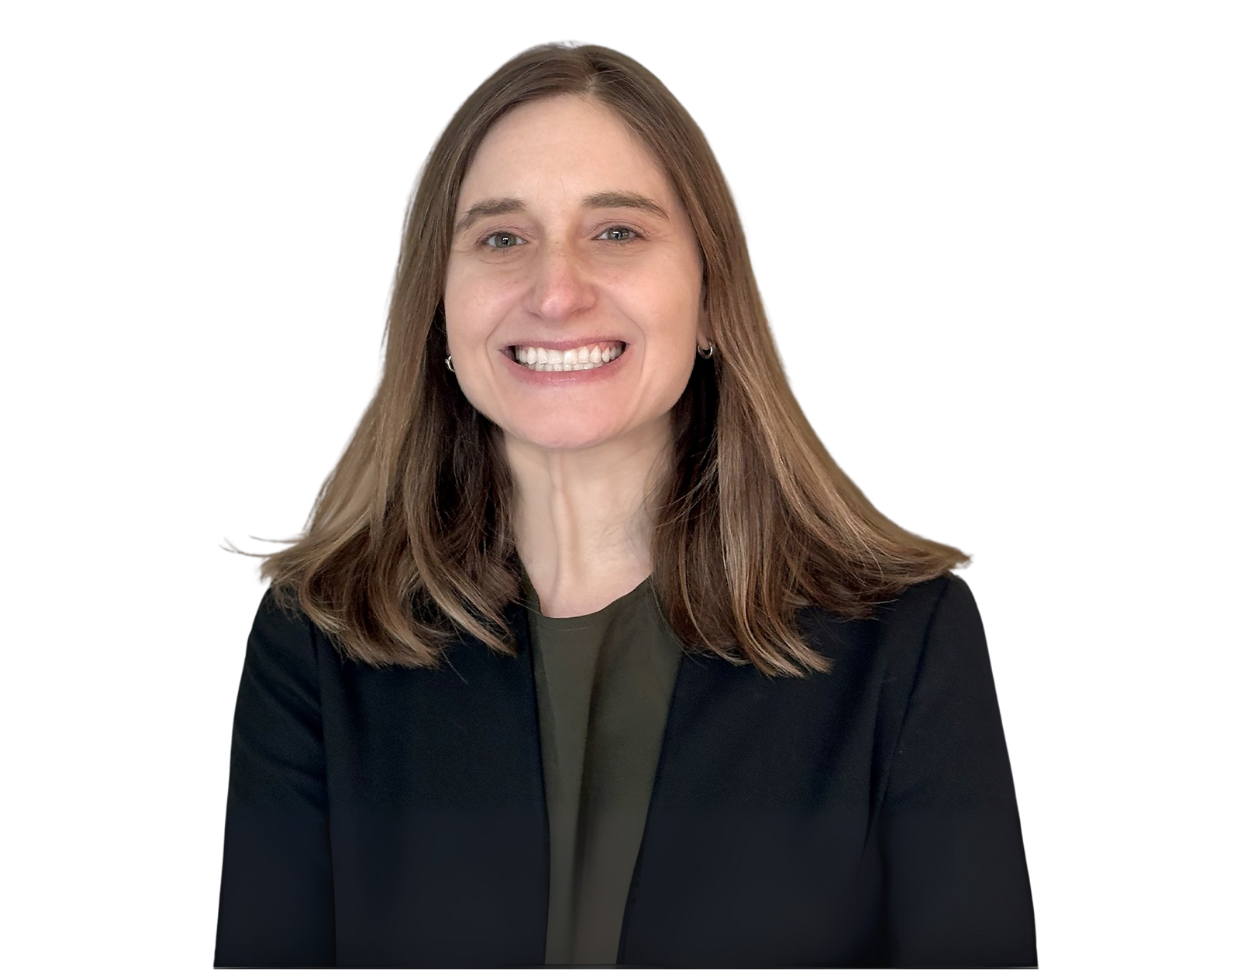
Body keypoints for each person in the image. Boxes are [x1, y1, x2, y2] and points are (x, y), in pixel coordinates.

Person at [214, 40, 1037, 969]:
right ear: (435, 310)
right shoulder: (317, 644)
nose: (556, 291)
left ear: (713, 293)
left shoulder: (907, 642)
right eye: (500, 237)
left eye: (618, 231)